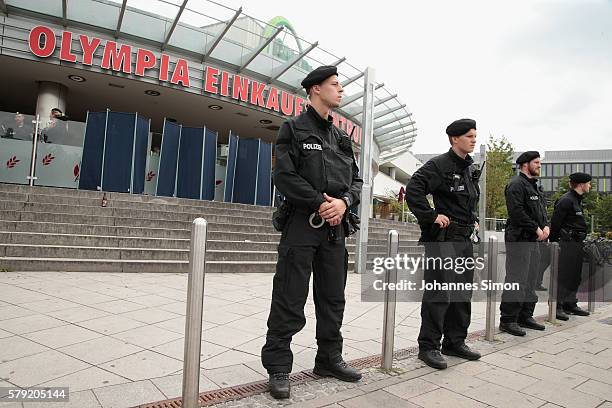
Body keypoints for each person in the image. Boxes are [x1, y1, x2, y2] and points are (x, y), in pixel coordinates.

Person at [261, 65, 363, 399]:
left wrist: (345, 203)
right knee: (290, 296)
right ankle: (278, 367)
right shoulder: (294, 128)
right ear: (315, 89)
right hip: (303, 226)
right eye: (335, 85)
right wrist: (321, 203)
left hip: (335, 230)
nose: (341, 90)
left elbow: (357, 181)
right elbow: (284, 176)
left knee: (333, 298)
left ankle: (329, 358)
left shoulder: (341, 137)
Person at [405, 118, 481, 370]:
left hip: (464, 239)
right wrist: (430, 216)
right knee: (438, 294)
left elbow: (468, 202)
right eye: (469, 136)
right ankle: (429, 346)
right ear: (454, 139)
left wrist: (475, 221)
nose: (473, 139)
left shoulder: (470, 168)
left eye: (474, 135)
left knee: (462, 294)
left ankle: (454, 341)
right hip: (443, 240)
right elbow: (414, 188)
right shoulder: (439, 165)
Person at [499, 151, 549, 336]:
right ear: (525, 164)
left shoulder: (535, 186)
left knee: (531, 279)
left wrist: (546, 226)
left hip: (533, 240)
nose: (539, 165)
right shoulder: (516, 185)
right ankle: (508, 320)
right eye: (536, 162)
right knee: (516, 279)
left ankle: (525, 316)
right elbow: (517, 212)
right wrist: (536, 229)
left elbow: (542, 210)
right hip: (519, 239)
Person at [550, 172, 592, 320]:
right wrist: (554, 242)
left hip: (576, 244)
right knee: (564, 276)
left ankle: (570, 303)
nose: (590, 186)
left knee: (574, 276)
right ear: (581, 185)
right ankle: (558, 306)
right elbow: (555, 223)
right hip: (566, 243)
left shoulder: (577, 200)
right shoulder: (566, 200)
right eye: (588, 183)